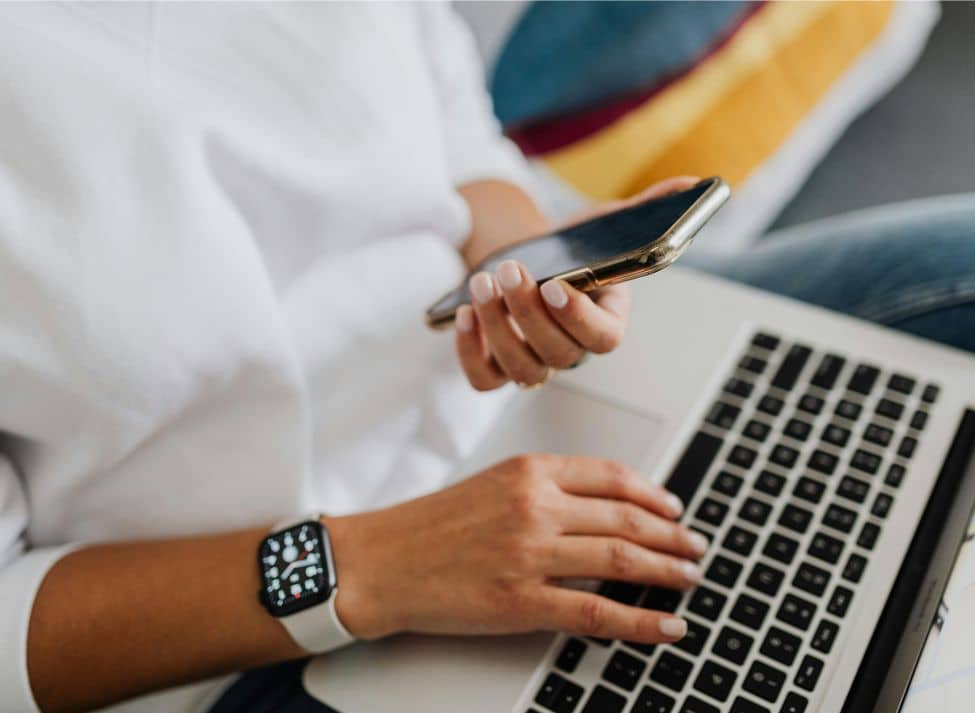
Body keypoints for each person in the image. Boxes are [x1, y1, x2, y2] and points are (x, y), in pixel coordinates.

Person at [1, 5, 972, 713]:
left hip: (537, 397)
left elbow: (455, 130)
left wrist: (525, 264)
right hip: (269, 633)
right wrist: (373, 563)